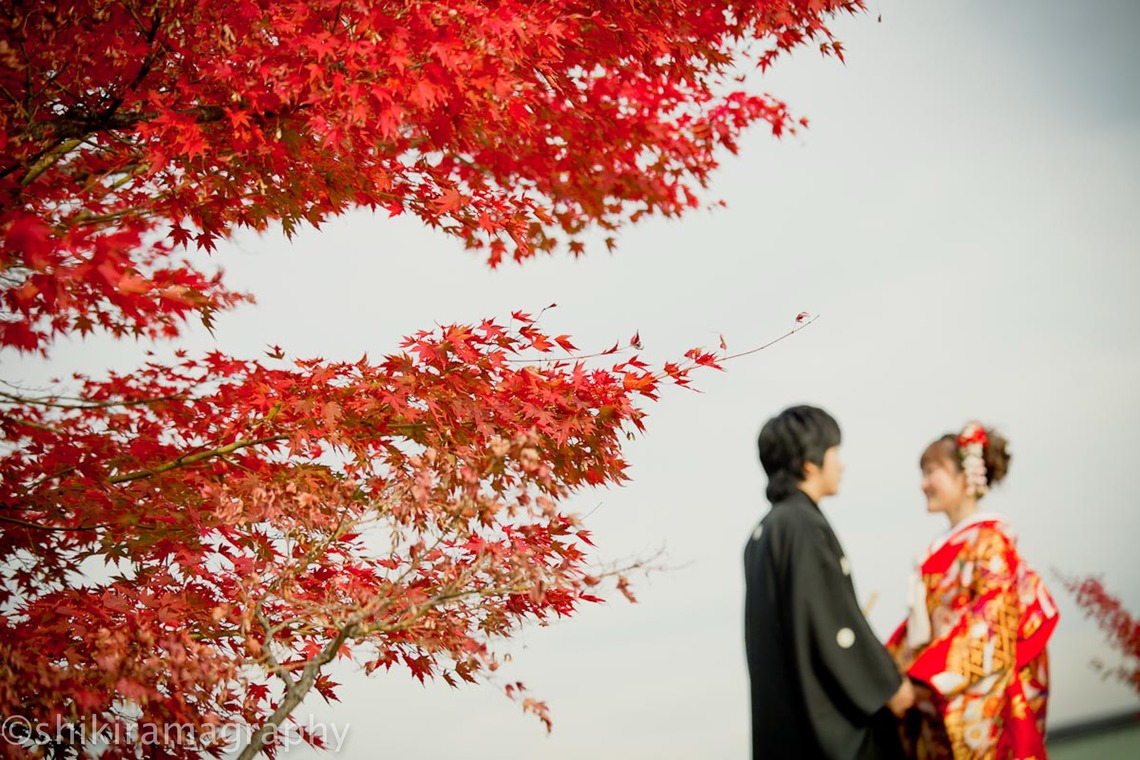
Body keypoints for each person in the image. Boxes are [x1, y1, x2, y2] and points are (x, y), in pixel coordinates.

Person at [745, 405, 914, 759]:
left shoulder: (764, 532)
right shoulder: (801, 525)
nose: (841, 465)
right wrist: (888, 687)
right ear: (810, 463)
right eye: (834, 453)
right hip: (824, 736)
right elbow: (831, 621)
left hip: (788, 729)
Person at [886, 423, 1059, 759]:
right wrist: (886, 676)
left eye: (931, 472)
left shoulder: (991, 542)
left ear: (967, 476)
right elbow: (914, 636)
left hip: (980, 706)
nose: (923, 484)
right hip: (937, 701)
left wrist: (920, 682)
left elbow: (991, 627)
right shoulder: (940, 551)